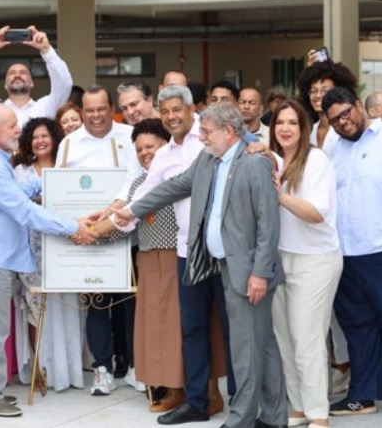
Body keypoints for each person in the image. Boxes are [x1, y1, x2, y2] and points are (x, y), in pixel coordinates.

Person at [114, 103, 287, 428]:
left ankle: (241, 420)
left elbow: (269, 224)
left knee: (250, 348)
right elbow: (172, 187)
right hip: (218, 265)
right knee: (261, 345)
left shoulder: (254, 163)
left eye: (207, 132)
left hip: (248, 271)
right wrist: (133, 210)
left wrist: (260, 273)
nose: (202, 137)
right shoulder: (208, 159)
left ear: (230, 132)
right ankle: (276, 418)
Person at [0, 103, 96, 418]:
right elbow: (24, 210)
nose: (18, 131)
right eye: (11, 126)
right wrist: (74, 226)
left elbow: (17, 193)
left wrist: (48, 178)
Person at [112, 86, 231, 418]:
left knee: (230, 328)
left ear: (192, 109)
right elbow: (144, 200)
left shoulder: (209, 139)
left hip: (222, 250)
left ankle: (241, 401)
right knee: (191, 327)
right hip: (185, 251)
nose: (171, 117)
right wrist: (107, 220)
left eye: (177, 109)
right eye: (164, 112)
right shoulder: (164, 155)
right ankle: (197, 402)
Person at [321, 87, 382, 422]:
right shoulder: (331, 144)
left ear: (359, 106)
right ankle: (362, 395)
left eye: (346, 113)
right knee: (357, 326)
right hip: (345, 252)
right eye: (334, 119)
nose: (342, 122)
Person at [93, 118, 186, 413]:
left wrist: (95, 229)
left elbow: (122, 218)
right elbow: (123, 225)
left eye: (151, 146)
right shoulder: (137, 183)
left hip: (175, 257)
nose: (145, 153)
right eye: (140, 149)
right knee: (153, 328)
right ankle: (163, 383)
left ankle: (180, 387)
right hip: (147, 259)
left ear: (166, 145)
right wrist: (90, 233)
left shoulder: (177, 177)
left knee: (175, 326)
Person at [56, 86, 143, 396]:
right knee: (97, 304)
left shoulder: (129, 136)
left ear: (111, 109)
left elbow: (138, 179)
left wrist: (113, 212)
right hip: (89, 238)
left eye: (101, 109)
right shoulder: (68, 144)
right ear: (82, 112)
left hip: (128, 233)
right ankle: (102, 369)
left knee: (131, 303)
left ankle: (135, 367)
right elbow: (61, 192)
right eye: (89, 110)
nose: (95, 116)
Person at [269, 99, 342, 428]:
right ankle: (298, 407)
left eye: (292, 123)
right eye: (279, 123)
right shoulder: (271, 160)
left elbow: (316, 213)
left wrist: (280, 196)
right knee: (285, 337)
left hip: (315, 260)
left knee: (306, 338)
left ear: (303, 128)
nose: (285, 128)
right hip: (280, 258)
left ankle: (318, 414)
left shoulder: (316, 160)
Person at [12, 117, 84, 393]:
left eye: (45, 136)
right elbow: (18, 206)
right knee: (35, 306)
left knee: (65, 305)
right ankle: (38, 367)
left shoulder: (68, 168)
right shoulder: (20, 171)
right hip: (32, 246)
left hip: (65, 245)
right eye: (34, 137)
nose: (40, 141)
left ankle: (68, 370)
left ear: (55, 138)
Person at [0, 25, 73, 126]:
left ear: (32, 83)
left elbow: (65, 85)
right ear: (5, 84)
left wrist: (46, 50)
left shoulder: (46, 106)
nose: (17, 75)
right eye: (12, 73)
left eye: (23, 72)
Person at [296, 60, 357, 151]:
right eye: (313, 91)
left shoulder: (346, 126)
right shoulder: (309, 130)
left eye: (325, 90)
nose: (318, 95)